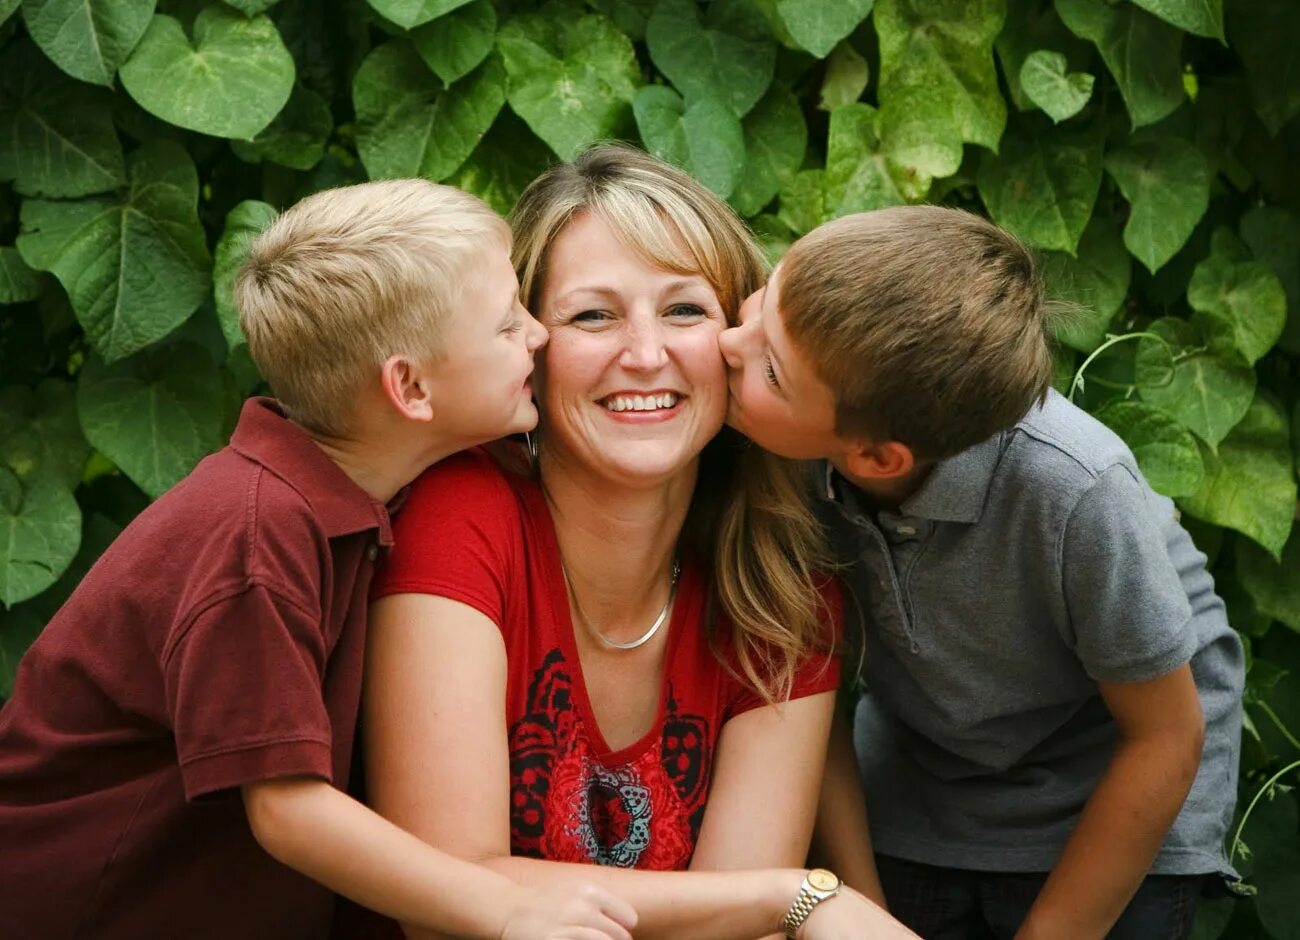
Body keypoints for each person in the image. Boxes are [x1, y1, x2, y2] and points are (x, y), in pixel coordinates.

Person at [0, 179, 639, 940]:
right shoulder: (255, 535)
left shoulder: (359, 491)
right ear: (409, 387)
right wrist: (507, 909)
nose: (539, 335)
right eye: (507, 325)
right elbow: (288, 809)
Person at [360, 145, 918, 939]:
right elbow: (448, 902)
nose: (647, 354)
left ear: (738, 341)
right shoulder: (462, 519)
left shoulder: (781, 594)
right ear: (527, 346)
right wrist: (799, 897)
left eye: (685, 310)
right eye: (593, 315)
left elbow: (729, 925)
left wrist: (771, 900)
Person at [718, 204, 1245, 939]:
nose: (724, 342)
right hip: (927, 785)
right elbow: (815, 699)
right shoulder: (794, 458)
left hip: (1119, 794)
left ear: (876, 457)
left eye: (768, 367)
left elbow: (1165, 737)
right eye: (761, 303)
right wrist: (862, 906)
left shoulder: (1075, 490)